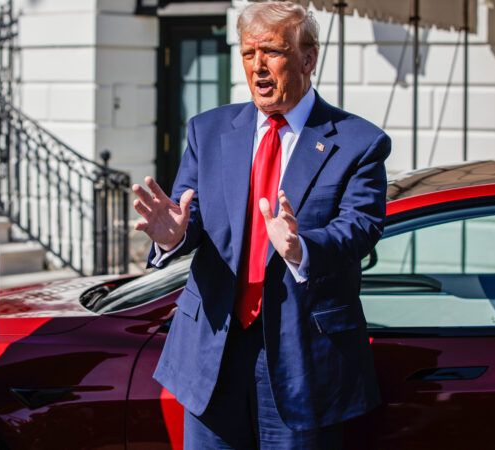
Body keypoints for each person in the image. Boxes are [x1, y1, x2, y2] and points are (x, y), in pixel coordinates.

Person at [132, 2, 389, 448]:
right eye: (248, 54)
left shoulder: (358, 142)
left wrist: (301, 248)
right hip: (212, 350)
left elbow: (361, 226)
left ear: (308, 58)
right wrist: (173, 237)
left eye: (271, 51)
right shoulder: (208, 130)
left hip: (301, 357)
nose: (257, 66)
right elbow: (187, 215)